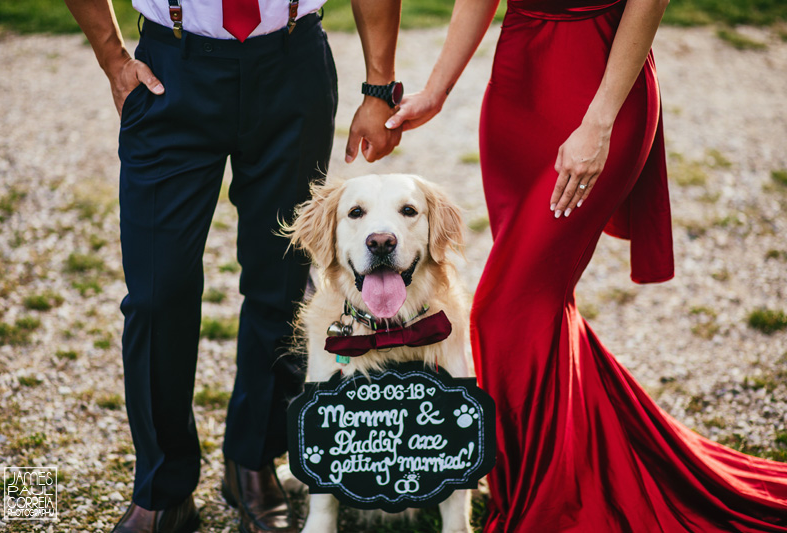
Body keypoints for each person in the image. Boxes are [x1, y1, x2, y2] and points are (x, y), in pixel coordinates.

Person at [388, 0, 787, 530]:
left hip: (599, 88)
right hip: (515, 86)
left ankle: (549, 499)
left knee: (502, 312)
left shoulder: (601, 111)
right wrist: (437, 89)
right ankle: (564, 472)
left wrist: (598, 124)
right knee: (542, 308)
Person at [63, 0, 402, 531]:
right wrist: (111, 55)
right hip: (171, 69)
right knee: (157, 292)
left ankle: (252, 460)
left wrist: (379, 86)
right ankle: (163, 487)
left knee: (281, 279)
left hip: (292, 65)